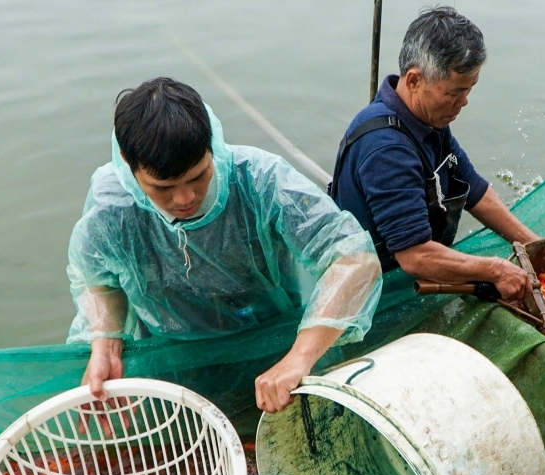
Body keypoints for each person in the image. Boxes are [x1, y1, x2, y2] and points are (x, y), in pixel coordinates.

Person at [67, 77, 382, 413]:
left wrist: (299, 358)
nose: (185, 198)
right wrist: (106, 344)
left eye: (198, 176)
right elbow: (100, 280)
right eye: (163, 188)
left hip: (270, 342)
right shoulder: (112, 206)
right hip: (173, 357)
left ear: (211, 148)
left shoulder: (259, 180)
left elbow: (354, 259)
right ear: (131, 168)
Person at [330, 6, 539, 301]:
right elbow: (415, 256)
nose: (464, 102)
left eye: (469, 89)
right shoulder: (387, 149)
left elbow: (473, 189)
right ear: (414, 80)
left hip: (412, 276)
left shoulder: (428, 118)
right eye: (454, 93)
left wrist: (533, 245)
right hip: (373, 295)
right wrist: (496, 270)